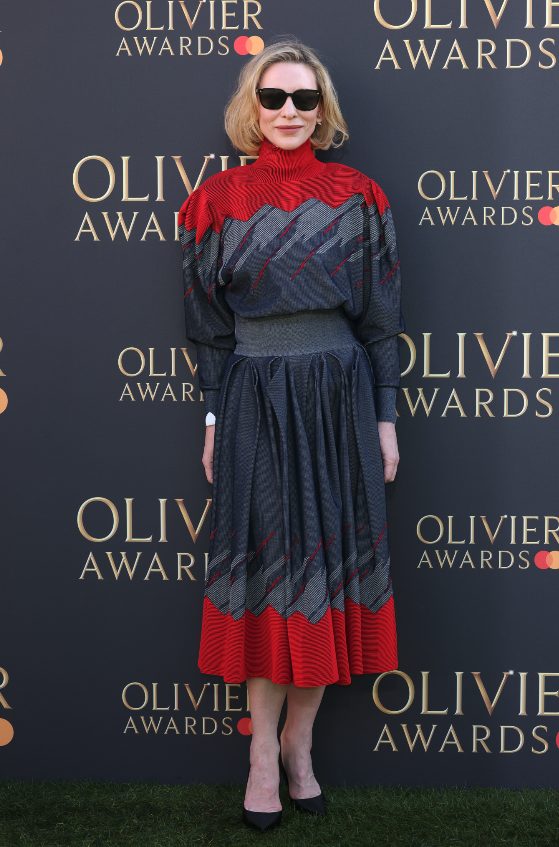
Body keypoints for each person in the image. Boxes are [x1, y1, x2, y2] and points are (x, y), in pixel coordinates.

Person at [177, 38, 406, 832]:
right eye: (272, 97)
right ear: (252, 106)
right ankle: (260, 757)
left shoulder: (358, 197)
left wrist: (384, 418)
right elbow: (206, 328)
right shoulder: (215, 201)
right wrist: (213, 417)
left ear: (321, 109)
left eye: (303, 99)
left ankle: (299, 746)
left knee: (328, 575)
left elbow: (381, 320)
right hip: (254, 399)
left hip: (339, 398)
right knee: (270, 577)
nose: (287, 112)